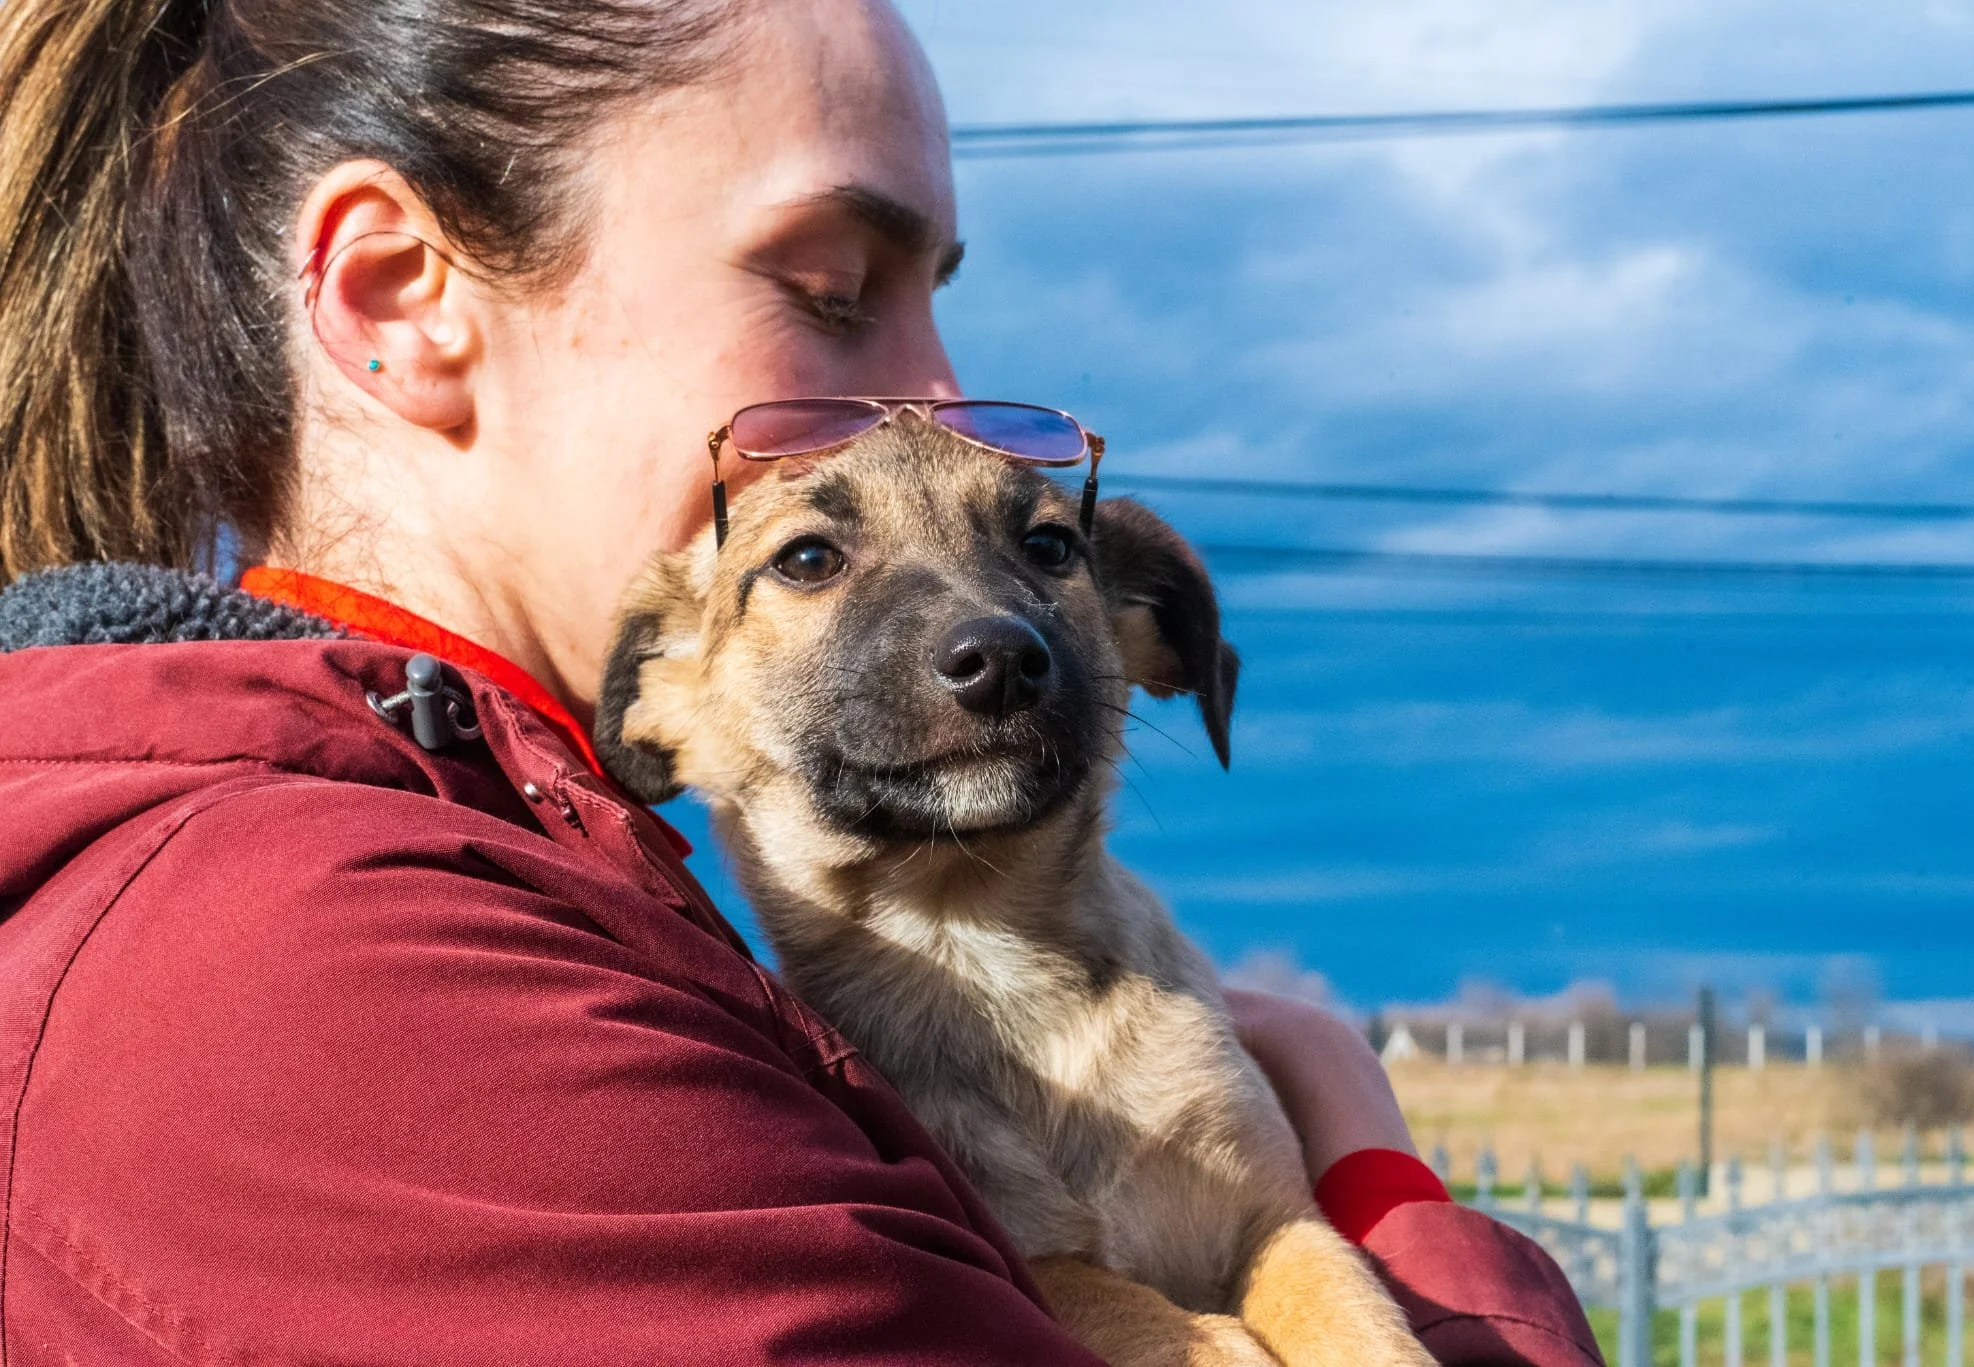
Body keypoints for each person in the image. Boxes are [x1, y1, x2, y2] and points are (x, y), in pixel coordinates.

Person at [0, 0, 1603, 1361]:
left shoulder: (557, 878)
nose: (946, 401)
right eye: (829, 291)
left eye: (939, 302)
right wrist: (1387, 1186)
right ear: (400, 300)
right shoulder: (323, 973)